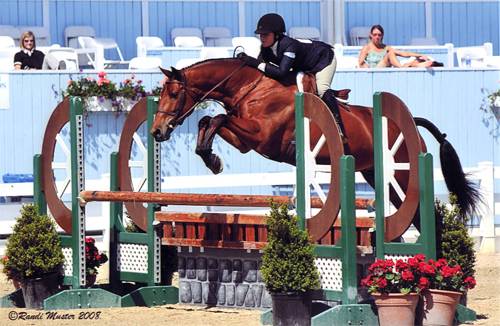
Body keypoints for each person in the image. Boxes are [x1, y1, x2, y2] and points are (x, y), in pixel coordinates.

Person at [237, 13, 347, 140]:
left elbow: (280, 72)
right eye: (261, 35)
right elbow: (260, 71)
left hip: (323, 59)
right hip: (303, 66)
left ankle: (339, 128)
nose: (262, 38)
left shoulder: (289, 46)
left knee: (322, 89)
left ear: (277, 35)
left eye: (265, 35)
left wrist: (254, 62)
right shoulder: (265, 48)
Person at [358, 25, 443, 68]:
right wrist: (365, 67)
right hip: (374, 69)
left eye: (379, 35)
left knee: (410, 61)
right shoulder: (367, 47)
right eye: (375, 34)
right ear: (371, 35)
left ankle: (415, 64)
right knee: (391, 54)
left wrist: (419, 55)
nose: (377, 37)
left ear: (382, 36)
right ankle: (404, 67)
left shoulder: (386, 47)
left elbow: (403, 53)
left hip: (385, 68)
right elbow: (360, 63)